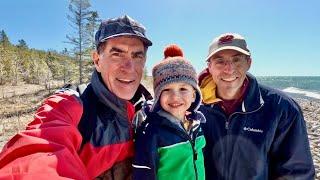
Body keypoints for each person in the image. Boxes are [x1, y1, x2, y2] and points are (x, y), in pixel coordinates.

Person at [0, 15, 152, 179]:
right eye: (117, 53)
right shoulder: (71, 104)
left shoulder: (144, 108)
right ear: (97, 61)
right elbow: (35, 153)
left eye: (137, 56)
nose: (129, 68)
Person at [198, 32, 315, 179]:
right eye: (220, 61)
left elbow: (296, 172)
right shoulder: (192, 107)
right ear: (209, 67)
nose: (229, 69)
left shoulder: (281, 107)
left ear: (249, 63)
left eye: (237, 60)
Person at [132, 45, 206, 180]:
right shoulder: (152, 132)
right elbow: (143, 173)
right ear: (158, 95)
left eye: (183, 89)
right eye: (166, 90)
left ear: (194, 95)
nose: (175, 97)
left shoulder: (197, 124)